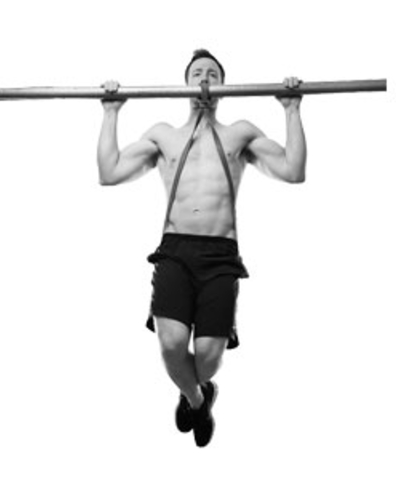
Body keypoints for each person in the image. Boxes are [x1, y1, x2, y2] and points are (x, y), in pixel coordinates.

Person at [97, 50, 306, 447]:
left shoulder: (239, 134)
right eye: (197, 73)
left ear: (223, 87)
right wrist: (111, 113)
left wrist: (291, 110)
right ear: (186, 85)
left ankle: (200, 387)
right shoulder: (164, 136)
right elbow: (109, 173)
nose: (205, 79)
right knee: (172, 345)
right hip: (175, 250)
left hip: (220, 255)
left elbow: (293, 171)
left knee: (207, 360)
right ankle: (196, 399)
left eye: (213, 73)